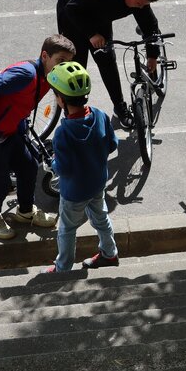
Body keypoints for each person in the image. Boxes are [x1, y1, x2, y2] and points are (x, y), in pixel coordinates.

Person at [0, 35, 75, 240]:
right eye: (60, 61)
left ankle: (25, 211)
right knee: (0, 184)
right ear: (45, 56)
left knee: (30, 166)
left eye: (68, 62)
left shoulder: (50, 76)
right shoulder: (25, 74)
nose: (64, 67)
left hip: (10, 130)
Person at [56, 0, 162, 128]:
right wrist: (91, 34)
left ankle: (120, 108)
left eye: (145, 5)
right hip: (73, 13)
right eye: (140, 4)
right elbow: (72, 8)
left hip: (100, 16)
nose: (141, 8)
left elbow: (150, 26)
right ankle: (72, 114)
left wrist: (153, 55)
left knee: (107, 61)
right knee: (77, 68)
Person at [43, 62, 120, 273]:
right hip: (97, 184)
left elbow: (64, 170)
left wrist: (52, 163)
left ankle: (63, 267)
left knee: (67, 229)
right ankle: (109, 253)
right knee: (101, 218)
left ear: (61, 100)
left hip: (74, 193)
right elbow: (112, 144)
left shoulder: (63, 133)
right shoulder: (100, 115)